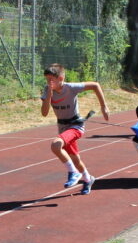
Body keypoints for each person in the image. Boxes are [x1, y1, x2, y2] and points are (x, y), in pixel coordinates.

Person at [40, 63, 110, 195]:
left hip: (76, 126)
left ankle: (73, 172)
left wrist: (103, 106)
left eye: (51, 80)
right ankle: (88, 179)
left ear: (60, 78)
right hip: (63, 128)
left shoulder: (71, 88)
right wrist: (48, 95)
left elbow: (95, 85)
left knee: (55, 145)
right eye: (47, 80)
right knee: (75, 159)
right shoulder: (47, 90)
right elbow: (44, 113)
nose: (48, 83)